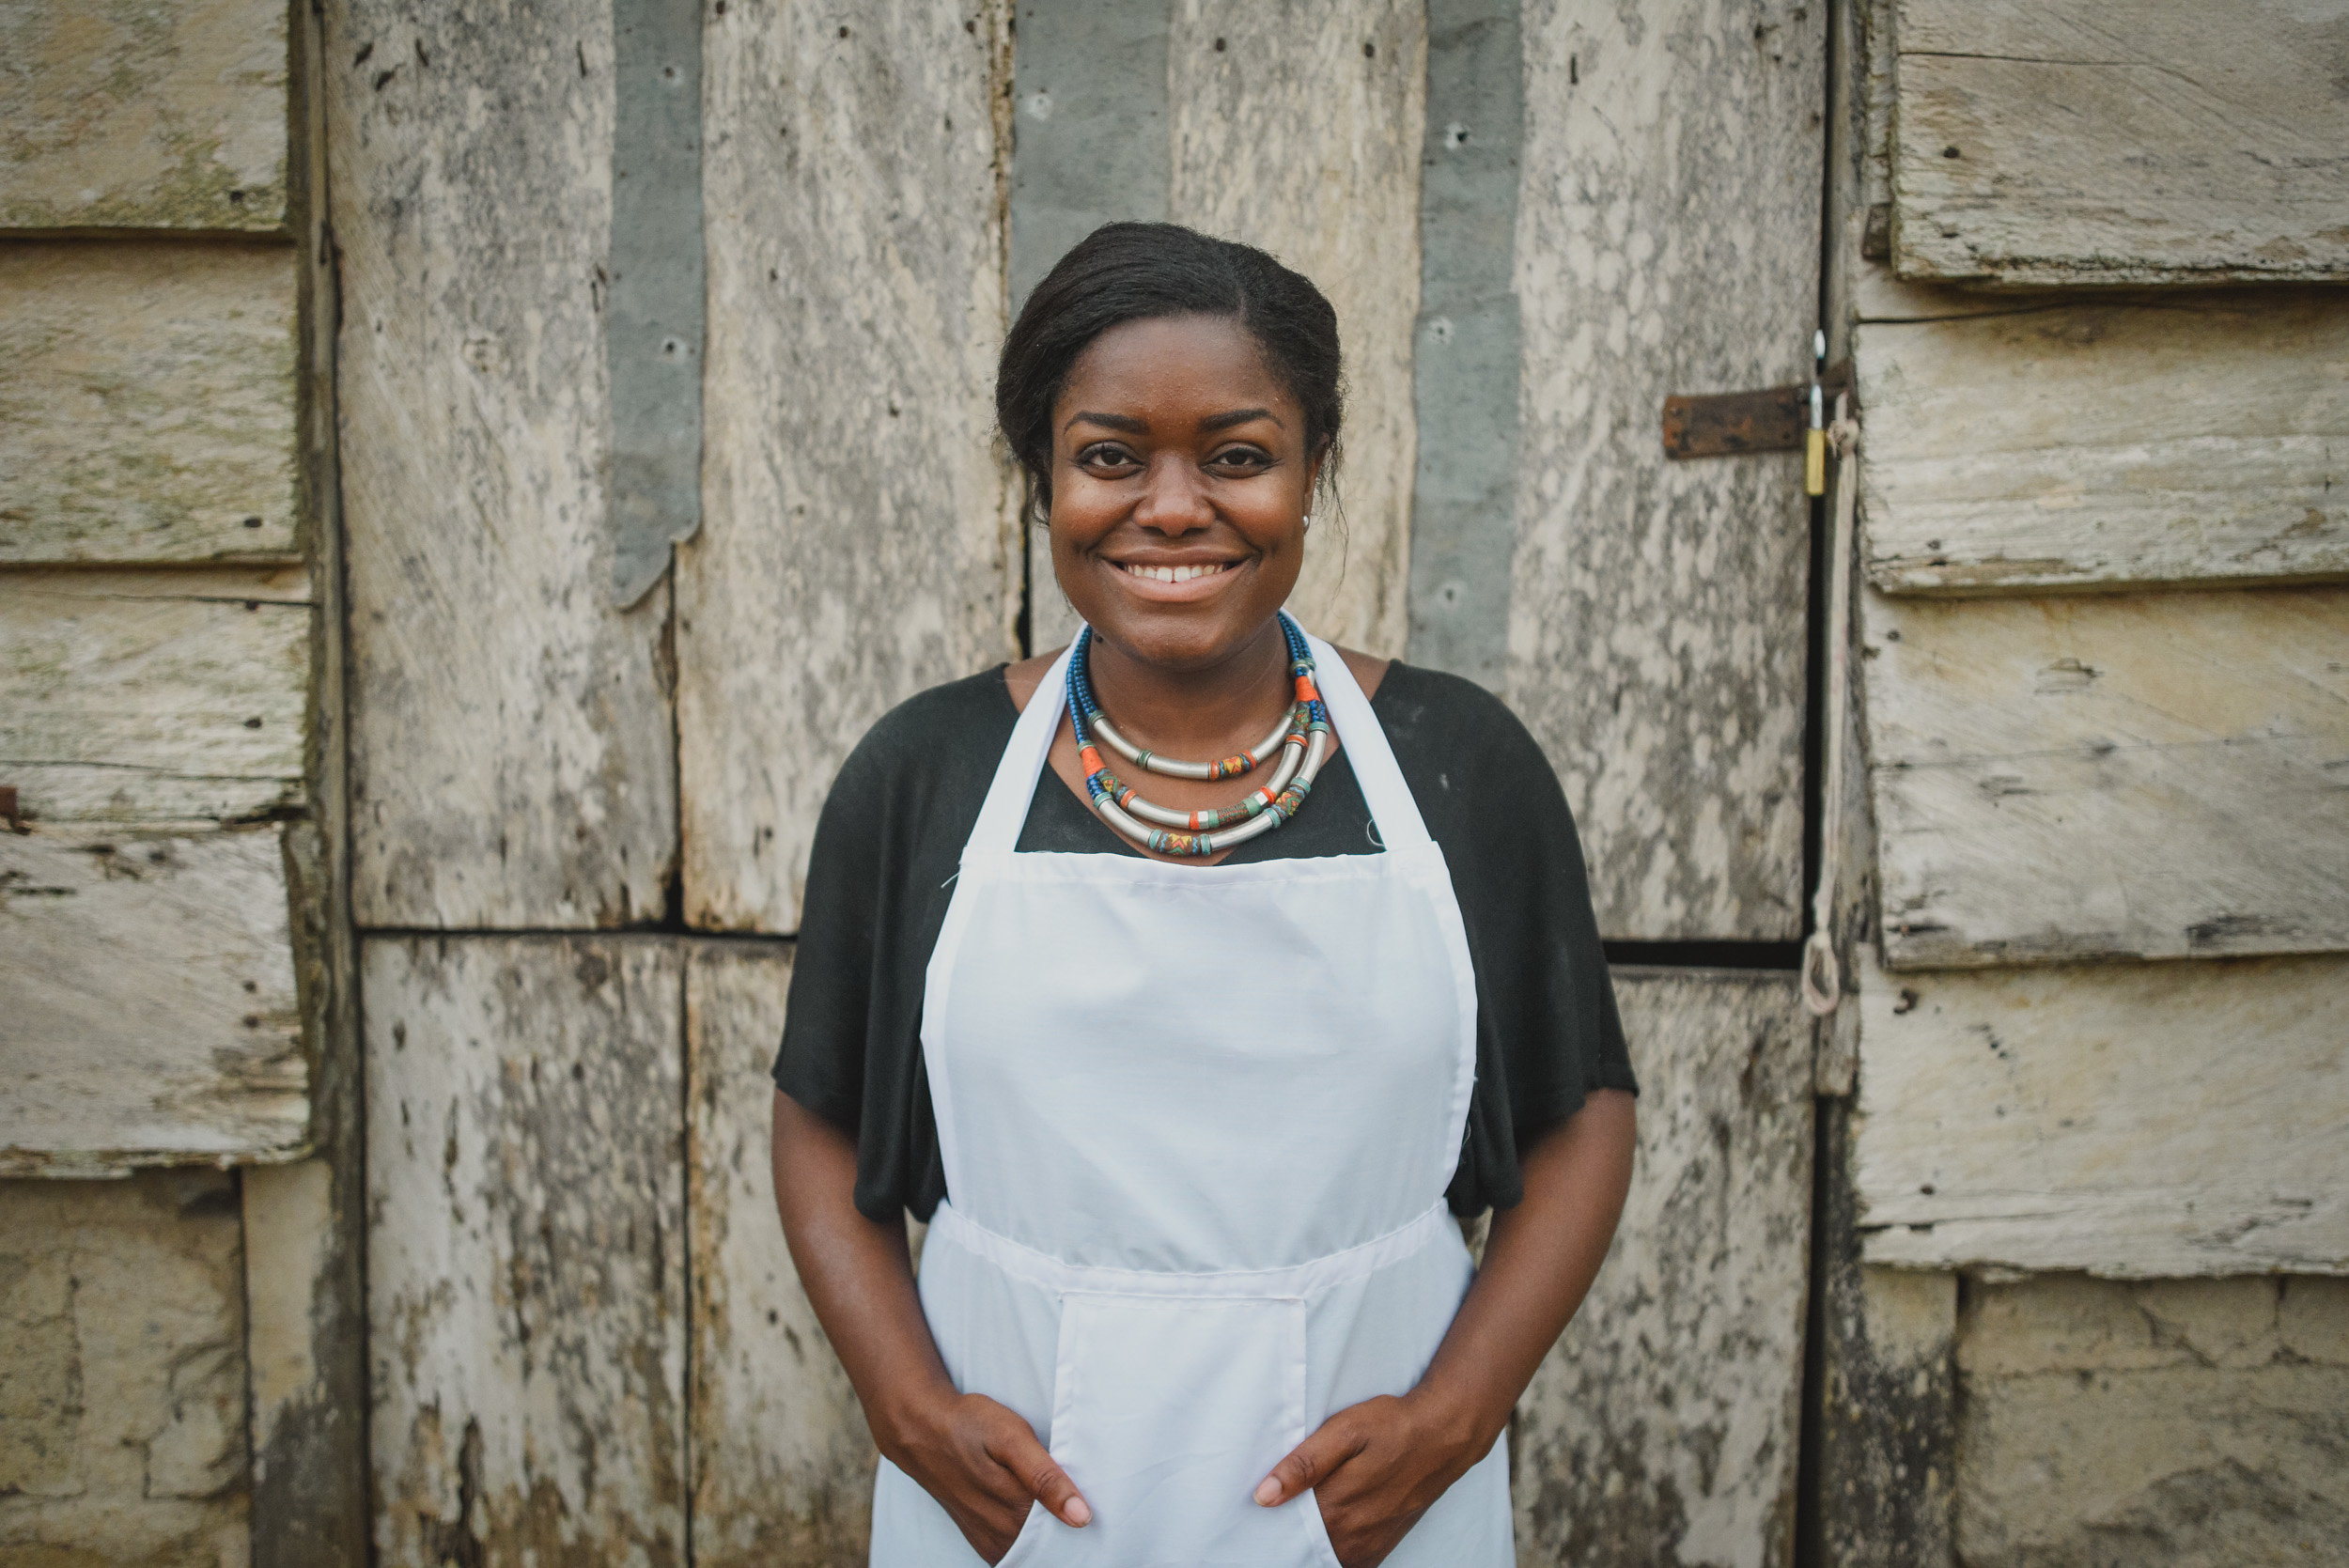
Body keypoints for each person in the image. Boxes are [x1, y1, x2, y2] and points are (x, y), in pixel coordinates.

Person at [770, 222, 1637, 1567]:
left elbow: (1580, 1117)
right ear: (1042, 479)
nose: (1173, 507)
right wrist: (908, 1405)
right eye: (1110, 456)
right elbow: (820, 1116)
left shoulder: (1459, 766)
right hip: (1011, 1484)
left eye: (1237, 456)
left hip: (1376, 1478)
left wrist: (1457, 1415)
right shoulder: (922, 775)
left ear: (1311, 473)